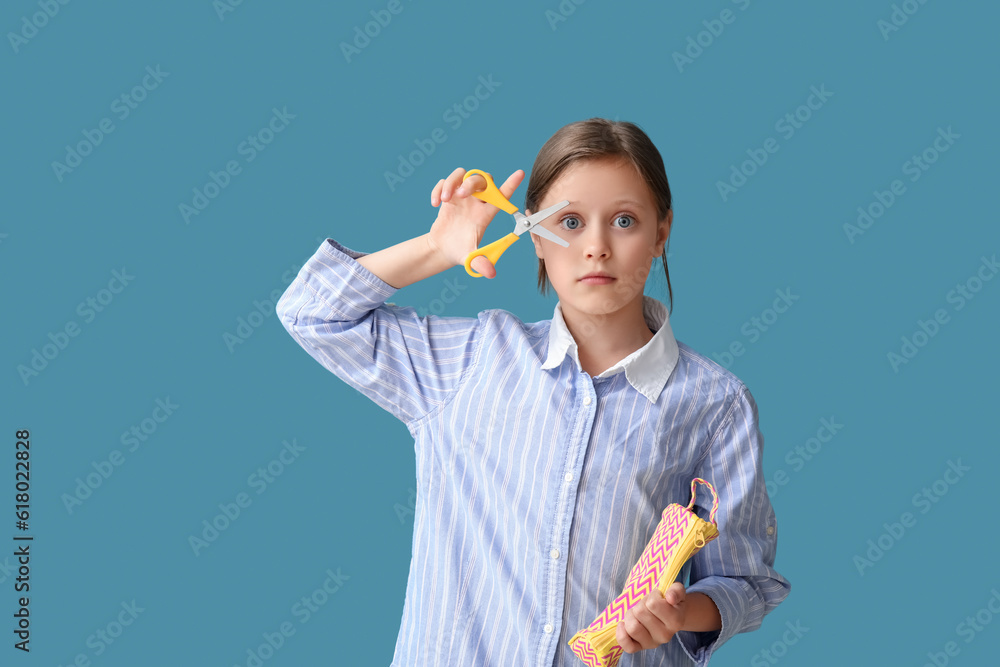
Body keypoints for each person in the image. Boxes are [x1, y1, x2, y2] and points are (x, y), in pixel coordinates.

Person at [276, 118, 790, 666]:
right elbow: (313, 312)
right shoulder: (470, 360)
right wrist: (435, 248)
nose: (596, 247)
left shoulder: (714, 403)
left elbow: (744, 581)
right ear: (536, 236)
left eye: (624, 220)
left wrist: (680, 613)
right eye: (568, 221)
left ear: (661, 233)